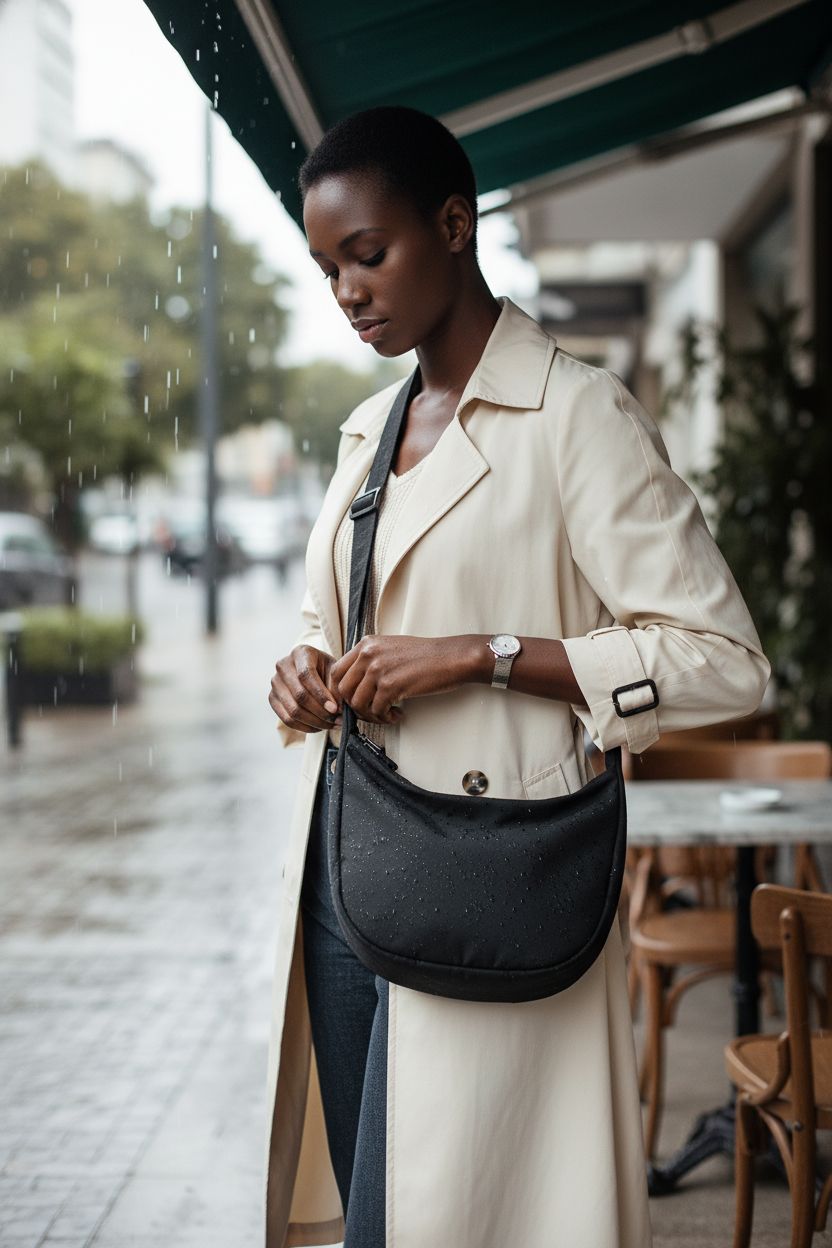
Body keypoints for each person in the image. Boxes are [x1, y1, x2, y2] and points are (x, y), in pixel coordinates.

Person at [264, 106, 770, 1248]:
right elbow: (333, 616)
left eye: (368, 253)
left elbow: (723, 661)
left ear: (453, 225)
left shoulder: (577, 415)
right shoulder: (366, 434)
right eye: (325, 266)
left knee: (456, 1208)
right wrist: (299, 672)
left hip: (492, 875)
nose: (346, 290)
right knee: (378, 1214)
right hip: (343, 871)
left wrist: (485, 657)